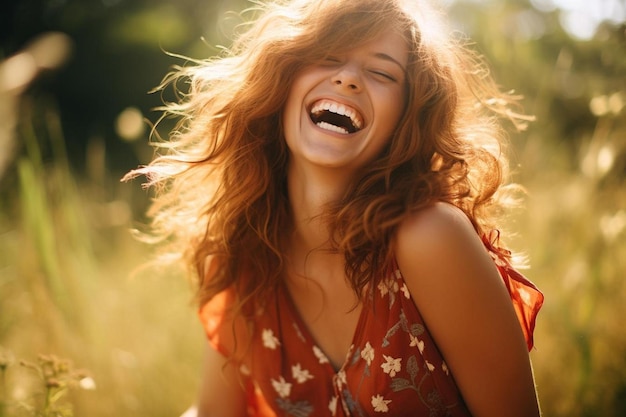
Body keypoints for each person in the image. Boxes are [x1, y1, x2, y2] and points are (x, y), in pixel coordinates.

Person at [126, 0, 544, 415]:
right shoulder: (242, 254)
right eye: (327, 57)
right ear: (283, 79)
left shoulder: (430, 239)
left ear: (406, 117)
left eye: (381, 72)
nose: (347, 79)